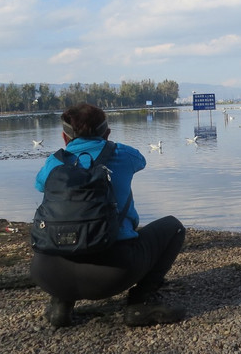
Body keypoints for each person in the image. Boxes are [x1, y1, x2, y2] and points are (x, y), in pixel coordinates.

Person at [31, 103, 187, 327]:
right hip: (111, 274)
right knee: (174, 227)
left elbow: (39, 186)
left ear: (65, 138)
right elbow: (141, 161)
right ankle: (140, 304)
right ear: (107, 133)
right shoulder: (123, 154)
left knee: (64, 227)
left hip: (48, 274)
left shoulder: (53, 163)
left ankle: (60, 307)